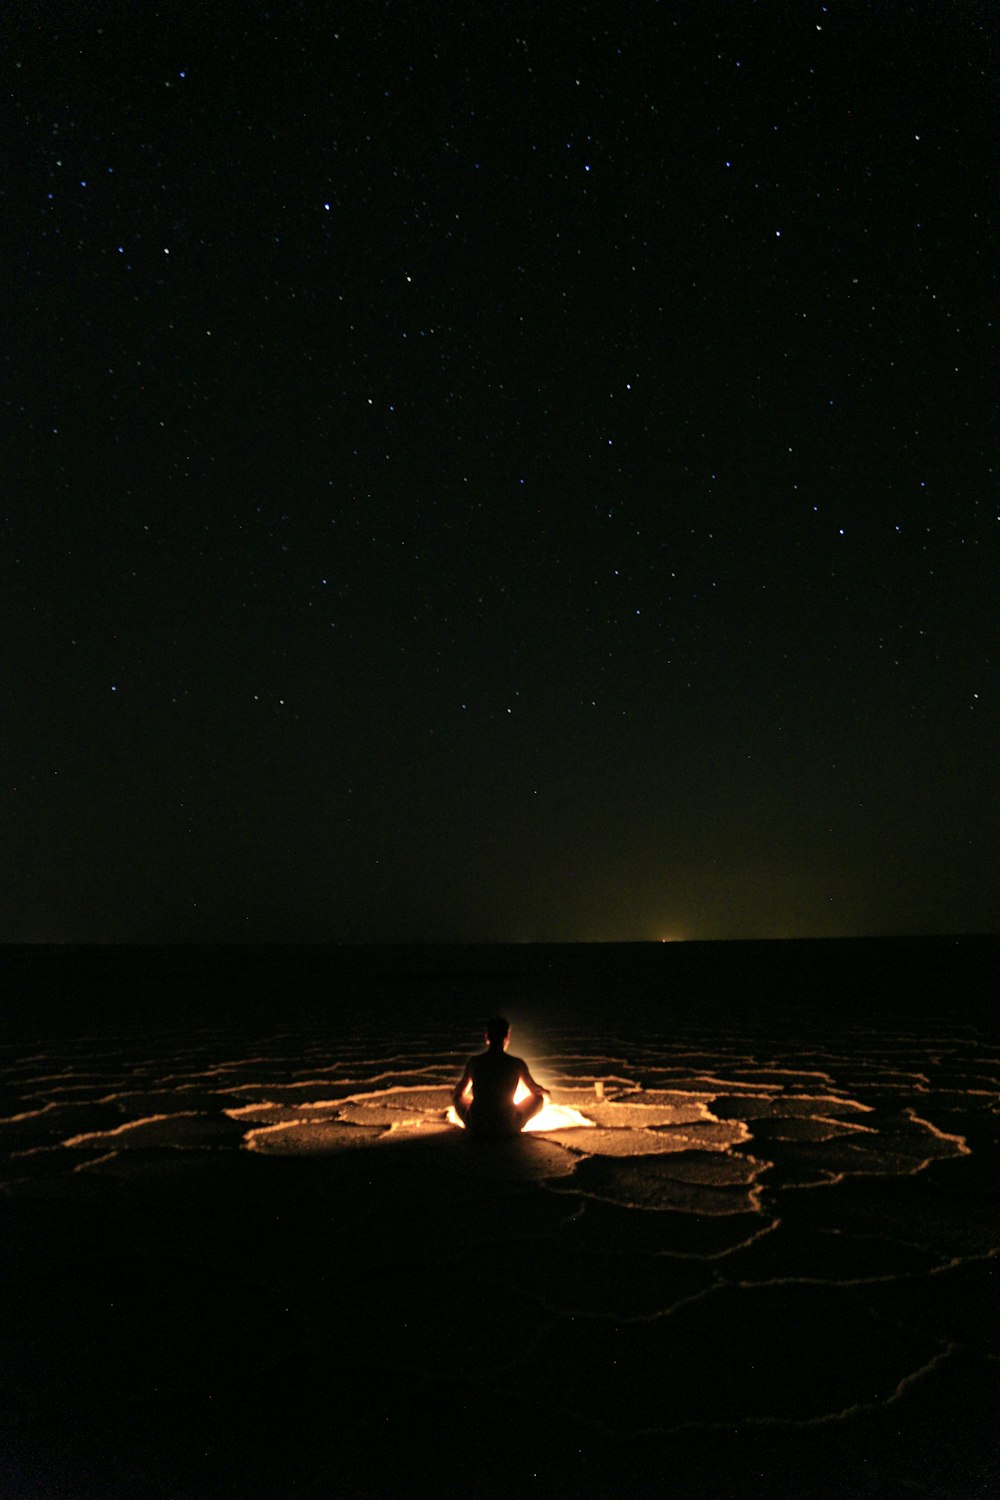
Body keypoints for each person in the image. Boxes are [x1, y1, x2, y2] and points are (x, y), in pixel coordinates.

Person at [452, 1016, 549, 1139]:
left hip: (478, 1125)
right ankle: (511, 1125)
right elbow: (535, 1089)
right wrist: (547, 1094)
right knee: (539, 1099)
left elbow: (460, 1091)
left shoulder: (474, 1062)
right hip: (507, 1125)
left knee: (457, 1097)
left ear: (487, 1037)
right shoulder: (516, 1063)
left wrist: (455, 1093)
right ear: (507, 1037)